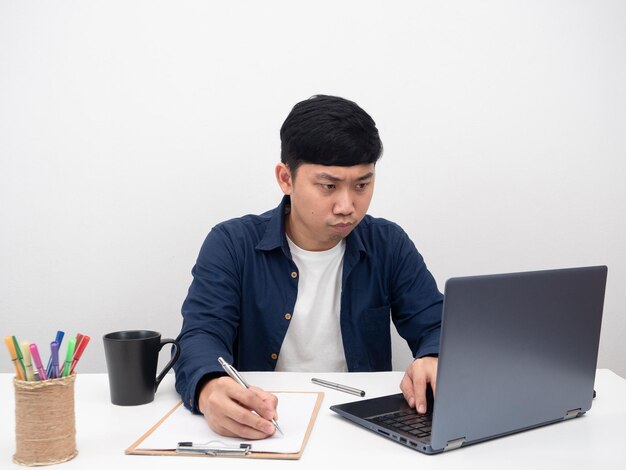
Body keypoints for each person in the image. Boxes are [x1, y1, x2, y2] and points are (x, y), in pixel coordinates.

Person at [174, 94, 443, 439]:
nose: (347, 206)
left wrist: (434, 357)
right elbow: (201, 335)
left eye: (362, 184)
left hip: (361, 427)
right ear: (286, 178)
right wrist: (210, 388)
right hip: (266, 420)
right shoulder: (232, 243)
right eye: (328, 186)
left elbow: (436, 325)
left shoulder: (387, 243)